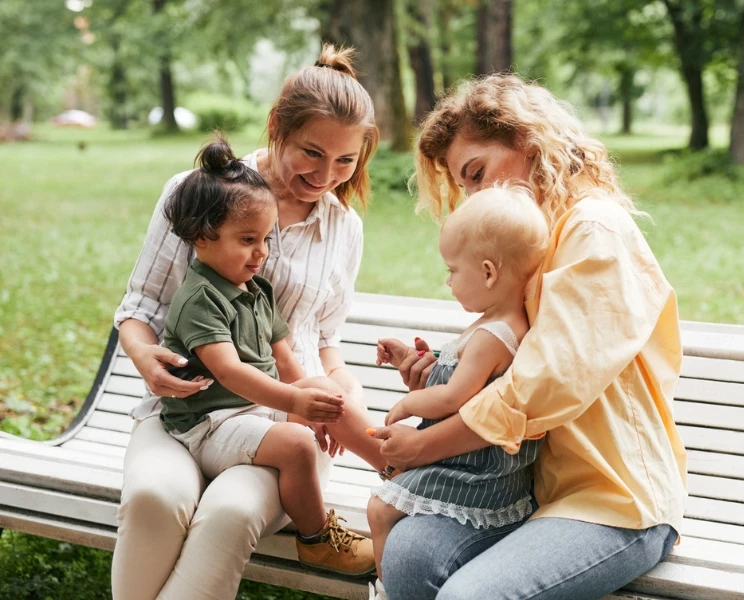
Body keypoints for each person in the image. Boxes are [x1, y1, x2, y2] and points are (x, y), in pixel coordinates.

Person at [371, 73, 688, 600]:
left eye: (478, 173)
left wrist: (424, 445)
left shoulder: (594, 230)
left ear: (528, 139)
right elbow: (501, 352)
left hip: (614, 501)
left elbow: (544, 383)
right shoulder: (531, 243)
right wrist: (438, 370)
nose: (476, 196)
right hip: (528, 494)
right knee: (407, 558)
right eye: (466, 186)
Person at [111, 44, 382, 600]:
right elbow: (140, 307)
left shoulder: (343, 227)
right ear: (277, 126)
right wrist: (144, 357)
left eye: (346, 161)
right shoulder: (202, 196)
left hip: (282, 427)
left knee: (230, 513)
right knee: (154, 499)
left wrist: (339, 392)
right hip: (182, 412)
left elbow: (324, 341)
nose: (326, 175)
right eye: (311, 152)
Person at [158, 136, 382, 576]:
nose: (262, 252)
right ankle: (317, 539)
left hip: (254, 410)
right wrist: (296, 407)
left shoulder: (257, 288)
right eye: (248, 239)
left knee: (325, 388)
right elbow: (230, 371)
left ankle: (396, 470)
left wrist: (314, 399)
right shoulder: (200, 299)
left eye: (265, 238)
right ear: (203, 237)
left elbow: (288, 364)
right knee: (298, 443)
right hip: (210, 424)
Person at [366, 185, 549, 599]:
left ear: (488, 272)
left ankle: (386, 592)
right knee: (382, 509)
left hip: (472, 470)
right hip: (462, 456)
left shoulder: (494, 334)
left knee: (380, 510)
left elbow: (454, 398)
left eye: (452, 270)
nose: (447, 281)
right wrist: (409, 361)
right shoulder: (495, 323)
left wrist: (407, 403)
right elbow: (458, 379)